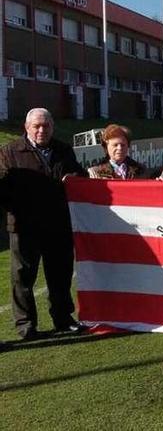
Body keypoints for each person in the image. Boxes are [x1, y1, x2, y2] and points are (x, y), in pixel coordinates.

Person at [0, 108, 86, 339]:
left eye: (45, 125)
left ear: (52, 127)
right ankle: (26, 325)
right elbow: (3, 189)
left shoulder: (64, 150)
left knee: (60, 275)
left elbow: (81, 176)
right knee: (22, 278)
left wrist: (76, 178)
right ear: (26, 128)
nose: (41, 130)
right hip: (24, 226)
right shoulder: (9, 151)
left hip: (58, 224)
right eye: (36, 126)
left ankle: (63, 319)